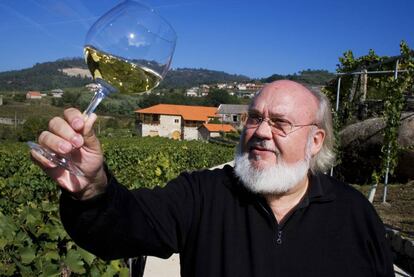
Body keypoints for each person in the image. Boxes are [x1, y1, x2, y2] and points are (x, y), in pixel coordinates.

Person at [31, 80, 395, 277]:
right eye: (254, 118)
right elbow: (123, 227)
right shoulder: (203, 195)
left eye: (280, 123)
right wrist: (94, 190)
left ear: (316, 141)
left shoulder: (354, 214)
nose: (260, 132)